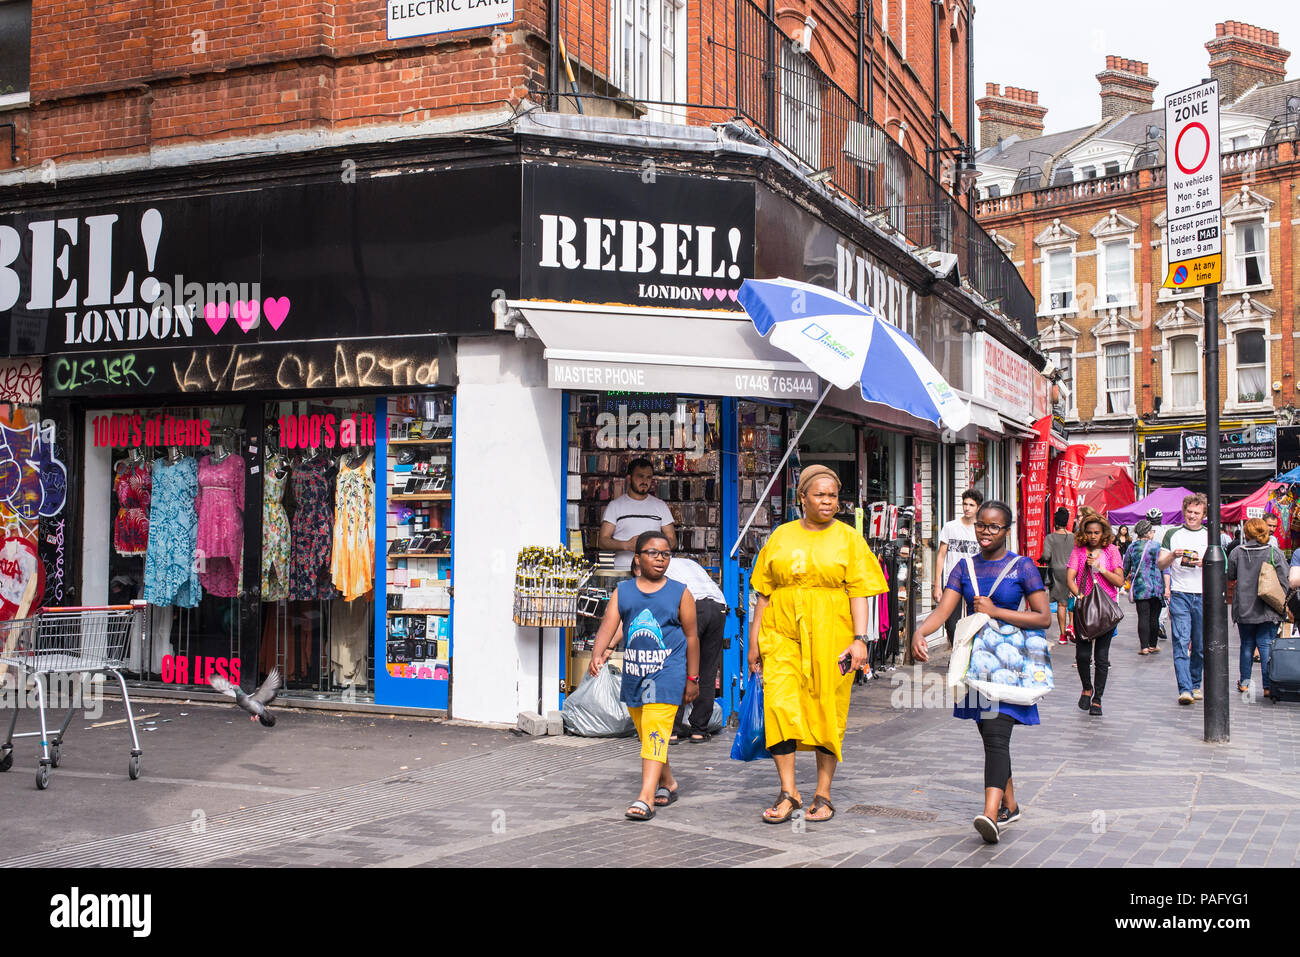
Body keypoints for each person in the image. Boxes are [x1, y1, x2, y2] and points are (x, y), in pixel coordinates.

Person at [747, 464, 888, 825]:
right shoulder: (780, 536)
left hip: (832, 635)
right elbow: (763, 594)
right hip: (780, 634)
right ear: (802, 498)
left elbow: (860, 593)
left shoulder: (848, 539)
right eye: (820, 495)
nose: (828, 502)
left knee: (828, 709)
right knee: (779, 707)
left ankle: (823, 793)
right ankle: (788, 792)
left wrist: (860, 640)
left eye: (833, 495)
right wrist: (754, 641)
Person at [914, 501, 1051, 845]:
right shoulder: (964, 567)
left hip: (1008, 665)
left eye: (994, 527)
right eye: (981, 525)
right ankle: (1011, 804)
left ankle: (990, 815)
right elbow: (944, 608)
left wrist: (996, 611)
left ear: (1007, 530)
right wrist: (919, 633)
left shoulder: (1023, 567)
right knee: (990, 737)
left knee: (995, 734)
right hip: (974, 665)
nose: (986, 532)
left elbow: (1043, 617)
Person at [589, 531, 699, 821]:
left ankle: (645, 798)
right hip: (635, 674)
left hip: (667, 673)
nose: (660, 559)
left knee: (655, 730)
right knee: (648, 734)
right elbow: (609, 624)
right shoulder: (623, 591)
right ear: (637, 558)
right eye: (652, 552)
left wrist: (693, 678)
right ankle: (669, 782)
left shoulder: (680, 592)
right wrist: (597, 654)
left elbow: (692, 637)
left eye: (665, 554)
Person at [663, 555, 728, 742]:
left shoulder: (660, 566)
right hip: (718, 606)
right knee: (707, 669)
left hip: (693, 606)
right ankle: (699, 730)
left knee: (678, 666)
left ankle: (672, 730)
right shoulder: (689, 563)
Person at [1067, 514, 1124, 716]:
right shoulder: (1079, 551)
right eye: (1089, 532)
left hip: (1105, 610)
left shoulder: (1111, 551)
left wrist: (1100, 568)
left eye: (1096, 533)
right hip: (1084, 610)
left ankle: (1097, 699)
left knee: (1101, 657)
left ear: (1103, 533)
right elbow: (1070, 578)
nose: (1093, 536)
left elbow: (1119, 581)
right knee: (1082, 655)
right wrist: (1078, 594)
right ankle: (1086, 687)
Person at [1157, 493, 1210, 706]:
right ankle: (1185, 688)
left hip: (1203, 594)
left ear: (1204, 515)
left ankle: (1196, 683)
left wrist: (1203, 562)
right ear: (1184, 511)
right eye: (1189, 511)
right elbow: (1161, 564)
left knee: (1199, 644)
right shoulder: (1172, 534)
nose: (1192, 516)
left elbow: (1222, 565)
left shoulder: (1210, 535)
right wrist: (1173, 556)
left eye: (1197, 513)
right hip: (1180, 593)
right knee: (1180, 640)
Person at [1226, 518, 1288, 698]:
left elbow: (1230, 575)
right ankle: (1268, 686)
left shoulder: (1237, 552)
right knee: (1266, 644)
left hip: (1244, 607)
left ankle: (1245, 683)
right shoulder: (1274, 553)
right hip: (1268, 608)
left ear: (1246, 533)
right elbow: (1284, 580)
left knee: (1246, 644)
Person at [599, 458, 676, 571]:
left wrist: (654, 546)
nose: (645, 481)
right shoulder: (615, 506)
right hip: (622, 571)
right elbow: (602, 541)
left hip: (653, 572)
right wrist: (626, 545)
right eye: (640, 476)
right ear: (629, 479)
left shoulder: (661, 506)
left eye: (648, 477)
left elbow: (672, 540)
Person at [934, 489, 984, 646]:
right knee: (950, 623)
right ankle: (957, 652)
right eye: (965, 504)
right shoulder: (950, 527)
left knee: (974, 621)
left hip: (975, 582)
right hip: (953, 581)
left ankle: (967, 657)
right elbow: (941, 555)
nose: (967, 508)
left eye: (971, 505)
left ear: (978, 507)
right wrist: (937, 585)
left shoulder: (981, 530)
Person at [1124, 519, 1164, 656]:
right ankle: (1153, 645)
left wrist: (1122, 580)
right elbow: (1164, 566)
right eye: (1152, 531)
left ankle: (1144, 647)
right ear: (1147, 532)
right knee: (1154, 617)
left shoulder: (1132, 547)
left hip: (1140, 587)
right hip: (1157, 586)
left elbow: (1125, 567)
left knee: (1143, 617)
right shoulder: (1157, 546)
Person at [1042, 508, 1075, 645]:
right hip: (1072, 571)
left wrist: (1043, 559)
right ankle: (1071, 626)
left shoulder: (1050, 538)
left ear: (1055, 521)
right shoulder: (1073, 537)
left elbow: (1046, 556)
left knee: (1061, 604)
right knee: (1071, 600)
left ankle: (1062, 636)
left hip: (1056, 573)